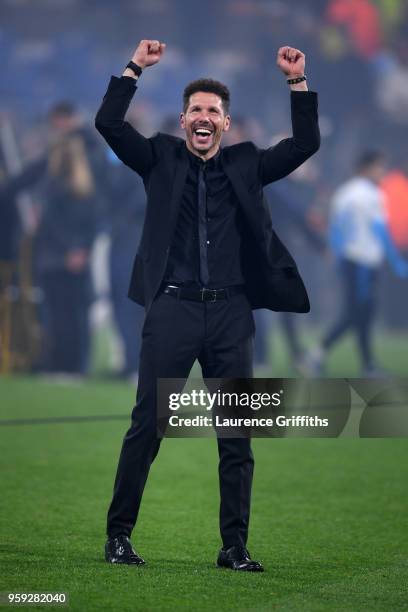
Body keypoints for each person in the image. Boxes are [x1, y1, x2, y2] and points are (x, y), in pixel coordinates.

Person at [95, 40, 320, 571]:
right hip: (171, 310)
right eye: (195, 109)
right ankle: (118, 537)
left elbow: (306, 143)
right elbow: (108, 124)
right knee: (147, 426)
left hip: (230, 316)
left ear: (226, 123)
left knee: (237, 435)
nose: (203, 117)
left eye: (212, 111)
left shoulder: (247, 164)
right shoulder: (159, 156)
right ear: (182, 120)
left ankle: (233, 547)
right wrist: (133, 69)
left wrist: (297, 82)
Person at [305, 151, 408, 376]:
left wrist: (336, 254)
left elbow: (337, 228)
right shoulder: (373, 195)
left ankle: (365, 363)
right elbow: (381, 231)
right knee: (357, 313)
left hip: (350, 261)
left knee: (361, 313)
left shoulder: (344, 193)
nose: (382, 173)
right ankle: (319, 355)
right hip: (364, 262)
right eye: (380, 168)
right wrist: (396, 261)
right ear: (367, 168)